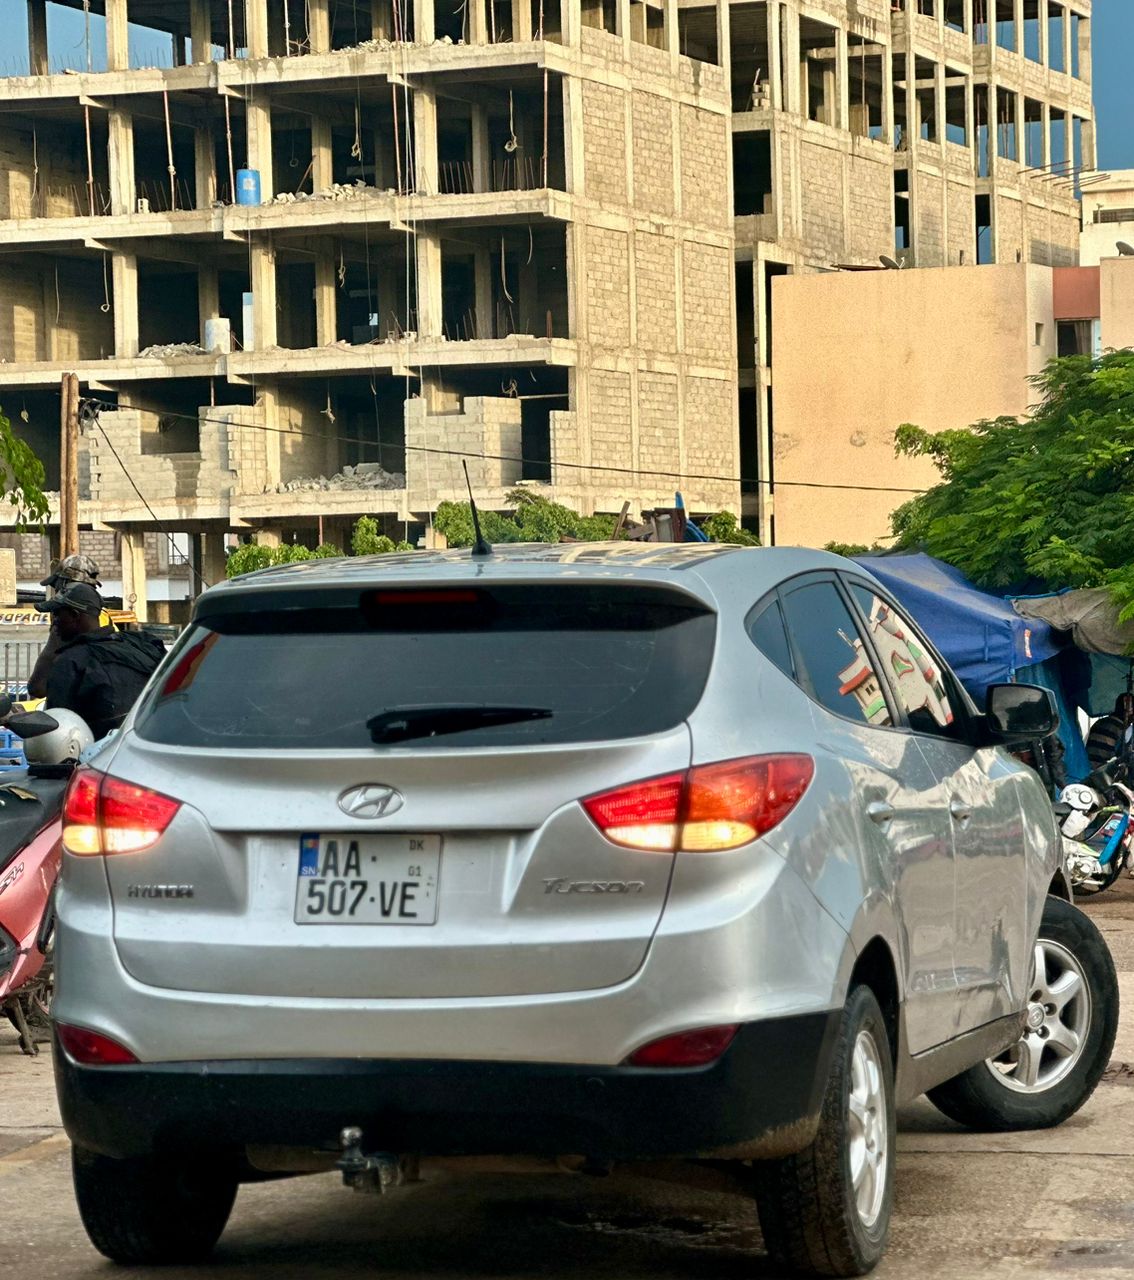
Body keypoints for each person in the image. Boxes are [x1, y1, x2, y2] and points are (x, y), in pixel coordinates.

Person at [37, 582, 164, 742]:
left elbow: (56, 726)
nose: (54, 621)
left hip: (96, 752)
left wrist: (53, 643)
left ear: (75, 615)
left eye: (57, 614)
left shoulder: (70, 661)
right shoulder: (141, 644)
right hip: (151, 743)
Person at [27, 555, 113, 700]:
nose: (57, 590)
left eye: (57, 585)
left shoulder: (70, 624)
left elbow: (38, 688)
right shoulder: (101, 615)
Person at [1086, 693, 1134, 772]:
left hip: (1088, 771)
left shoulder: (1100, 722)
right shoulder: (1124, 729)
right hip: (1105, 773)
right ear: (1129, 710)